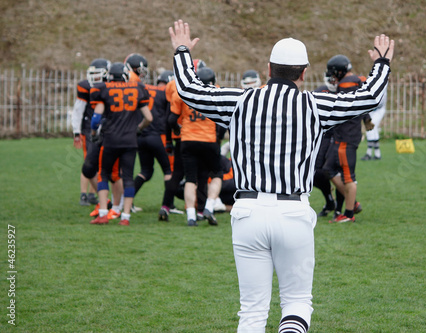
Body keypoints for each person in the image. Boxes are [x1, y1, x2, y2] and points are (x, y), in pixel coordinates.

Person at [169, 19, 394, 332]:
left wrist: (181, 51)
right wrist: (382, 63)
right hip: (293, 211)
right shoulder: (314, 105)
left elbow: (190, 90)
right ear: (303, 73)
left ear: (268, 69)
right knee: (297, 302)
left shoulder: (240, 100)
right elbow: (368, 98)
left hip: (248, 212)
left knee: (251, 312)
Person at [89, 62, 152, 226]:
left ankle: (103, 213)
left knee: (103, 174)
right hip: (130, 141)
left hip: (110, 139)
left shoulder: (104, 89)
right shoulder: (137, 88)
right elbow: (149, 118)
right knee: (128, 177)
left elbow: (96, 118)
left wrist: (94, 133)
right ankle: (125, 217)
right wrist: (138, 128)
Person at [167, 66, 223, 227]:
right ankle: (209, 207)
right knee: (217, 173)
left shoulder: (185, 92)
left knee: (190, 178)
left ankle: (191, 216)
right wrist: (218, 137)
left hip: (188, 140)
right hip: (209, 140)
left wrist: (179, 130)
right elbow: (224, 119)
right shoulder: (217, 92)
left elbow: (171, 120)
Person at [322, 55, 375, 223]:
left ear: (339, 71)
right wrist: (366, 119)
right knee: (328, 169)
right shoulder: (355, 80)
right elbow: (360, 103)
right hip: (344, 135)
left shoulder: (347, 83)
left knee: (348, 176)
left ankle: (349, 214)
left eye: (333, 72)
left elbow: (348, 104)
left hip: (346, 136)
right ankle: (353, 202)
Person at [129, 63, 173, 220]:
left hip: (141, 136)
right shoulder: (166, 93)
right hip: (157, 137)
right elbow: (170, 118)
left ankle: (126, 201)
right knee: (169, 172)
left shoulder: (145, 88)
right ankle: (167, 207)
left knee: (145, 171)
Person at [72, 58, 110, 206]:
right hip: (89, 128)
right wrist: (76, 131)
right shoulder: (85, 86)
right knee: (89, 161)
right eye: (93, 74)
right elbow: (78, 110)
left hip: (105, 128)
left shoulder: (109, 86)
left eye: (98, 74)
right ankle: (83, 194)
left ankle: (93, 194)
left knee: (99, 163)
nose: (95, 77)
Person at [361, 88, 387, 160]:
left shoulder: (382, 86)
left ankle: (369, 153)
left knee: (371, 128)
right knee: (372, 129)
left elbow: (380, 102)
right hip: (371, 109)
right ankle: (377, 154)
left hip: (378, 110)